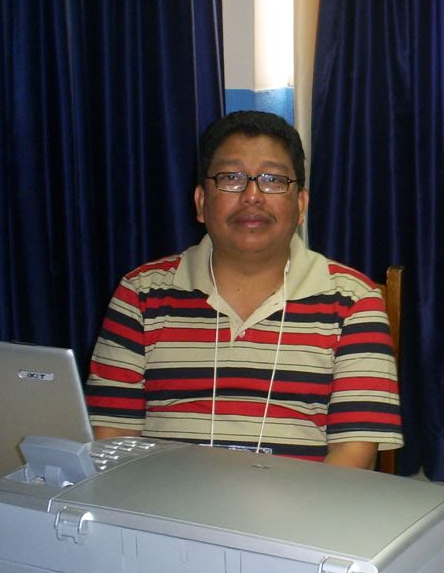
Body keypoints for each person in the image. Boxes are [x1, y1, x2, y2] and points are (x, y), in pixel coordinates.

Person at [85, 111, 402, 469]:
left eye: (273, 180)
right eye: (231, 178)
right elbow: (112, 437)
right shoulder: (141, 295)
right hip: (164, 499)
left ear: (300, 205)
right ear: (201, 203)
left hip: (302, 501)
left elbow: (354, 454)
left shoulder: (353, 302)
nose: (252, 196)